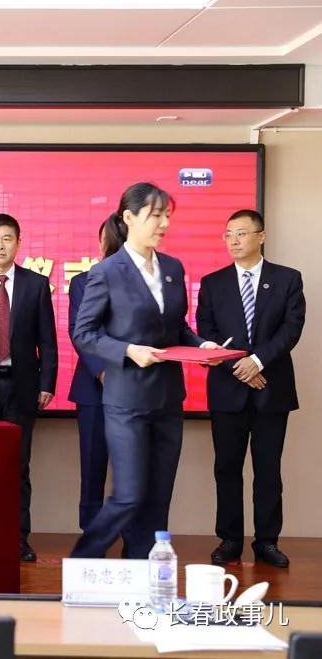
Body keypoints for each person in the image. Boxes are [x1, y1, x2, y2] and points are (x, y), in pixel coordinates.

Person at [70, 182, 223, 559]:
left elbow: (177, 327)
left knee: (158, 497)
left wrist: (202, 346)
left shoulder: (172, 268)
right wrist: (127, 351)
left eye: (167, 215)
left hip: (168, 399)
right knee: (129, 494)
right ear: (129, 217)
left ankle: (141, 569)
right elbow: (84, 333)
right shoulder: (107, 272)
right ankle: (83, 561)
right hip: (127, 401)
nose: (164, 223)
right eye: (156, 215)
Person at [196, 208, 305, 568]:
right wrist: (239, 367)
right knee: (227, 468)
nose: (234, 241)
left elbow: (291, 329)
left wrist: (257, 362)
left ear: (261, 236)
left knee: (268, 470)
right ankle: (229, 540)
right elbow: (207, 333)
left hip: (272, 389)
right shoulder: (213, 283)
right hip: (227, 390)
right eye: (228, 234)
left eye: (241, 233)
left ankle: (267, 542)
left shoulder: (287, 279)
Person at [0, 213, 58, 562]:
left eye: (7, 239)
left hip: (20, 386)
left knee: (18, 467)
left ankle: (18, 539)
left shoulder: (36, 284)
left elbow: (47, 341)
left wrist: (47, 382)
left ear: (18, 243)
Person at [69, 216, 126, 531]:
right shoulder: (83, 281)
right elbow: (81, 333)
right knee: (92, 468)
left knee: (133, 470)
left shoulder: (152, 280)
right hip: (94, 389)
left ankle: (134, 539)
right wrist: (104, 372)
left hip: (138, 387)